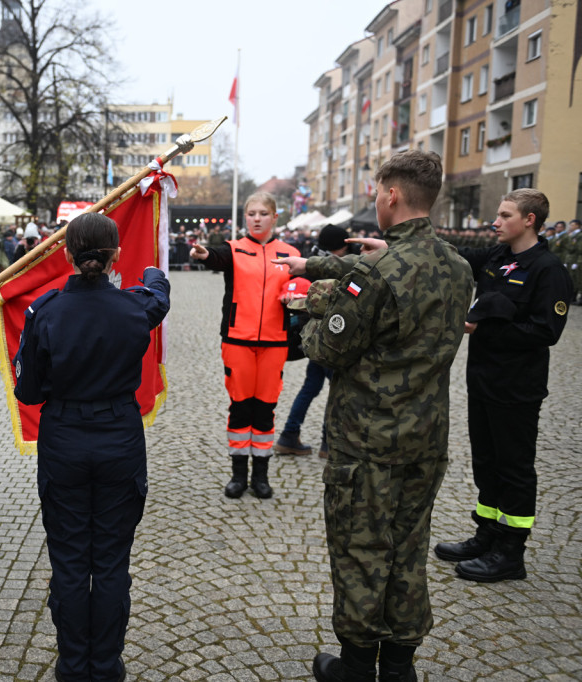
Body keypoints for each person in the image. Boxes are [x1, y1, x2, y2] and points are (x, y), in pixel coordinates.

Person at [274, 150, 474, 682]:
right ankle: (402, 665)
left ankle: (359, 667)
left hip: (367, 441)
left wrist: (317, 311)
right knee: (408, 549)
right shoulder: (458, 268)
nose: (374, 198)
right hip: (426, 437)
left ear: (391, 195)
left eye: (376, 189)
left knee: (362, 550)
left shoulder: (374, 271)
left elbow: (327, 349)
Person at [14, 213, 170, 682]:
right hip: (119, 437)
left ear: (66, 254)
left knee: (68, 559)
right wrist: (154, 274)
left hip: (63, 437)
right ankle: (105, 666)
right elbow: (158, 297)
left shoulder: (46, 310)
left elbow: (28, 392)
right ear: (116, 256)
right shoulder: (135, 307)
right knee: (109, 562)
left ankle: (71, 663)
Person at [433, 189, 572, 583]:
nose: (495, 221)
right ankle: (487, 535)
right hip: (483, 381)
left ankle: (511, 552)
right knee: (486, 463)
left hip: (516, 388)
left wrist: (487, 326)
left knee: (514, 468)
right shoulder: (497, 257)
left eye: (504, 215)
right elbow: (451, 252)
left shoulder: (548, 269)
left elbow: (546, 331)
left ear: (529, 219)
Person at [189, 191, 302, 499]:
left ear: (275, 217)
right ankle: (239, 474)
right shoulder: (234, 249)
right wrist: (202, 255)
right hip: (237, 340)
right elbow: (214, 255)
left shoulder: (290, 253)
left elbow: (305, 285)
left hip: (275, 342)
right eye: (251, 213)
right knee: (240, 406)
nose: (256, 218)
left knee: (265, 408)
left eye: (263, 213)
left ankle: (261, 476)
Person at [275, 224, 354, 458]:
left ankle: (289, 435)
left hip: (315, 339)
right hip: (332, 339)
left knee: (311, 387)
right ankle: (328, 443)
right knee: (336, 390)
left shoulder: (311, 263)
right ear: (338, 248)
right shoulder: (333, 266)